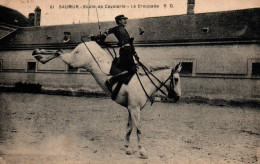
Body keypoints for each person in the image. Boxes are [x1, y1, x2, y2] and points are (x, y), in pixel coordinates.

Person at [103, 15, 139, 93]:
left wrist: (135, 54)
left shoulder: (124, 30)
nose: (126, 21)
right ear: (119, 21)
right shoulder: (117, 28)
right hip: (125, 51)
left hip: (128, 51)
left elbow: (130, 42)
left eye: (126, 19)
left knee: (133, 69)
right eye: (123, 20)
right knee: (130, 70)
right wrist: (104, 34)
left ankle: (121, 88)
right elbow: (108, 31)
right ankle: (111, 81)